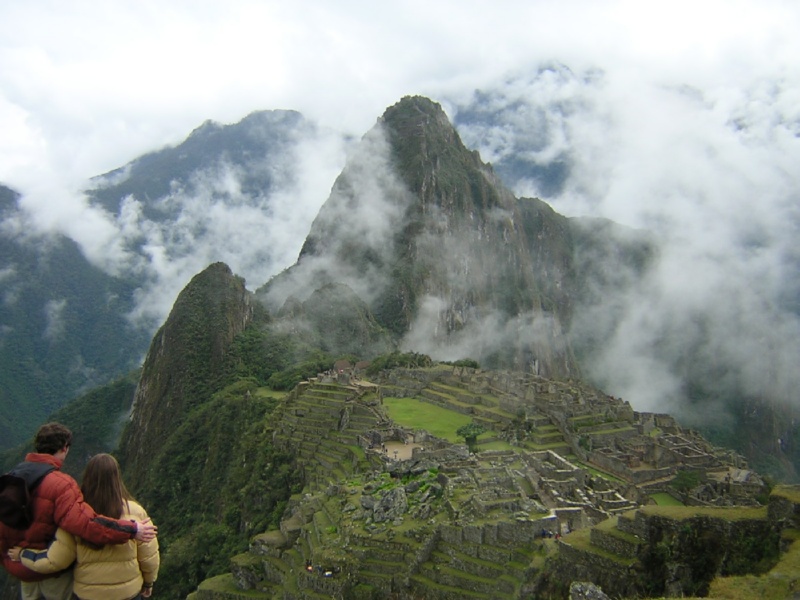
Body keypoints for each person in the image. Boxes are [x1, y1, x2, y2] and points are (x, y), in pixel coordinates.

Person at [0, 423, 157, 600]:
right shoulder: (62, 486)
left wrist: (20, 554)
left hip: (21, 566)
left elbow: (59, 556)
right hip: (56, 579)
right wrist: (132, 530)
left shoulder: (12, 477)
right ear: (64, 448)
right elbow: (84, 524)